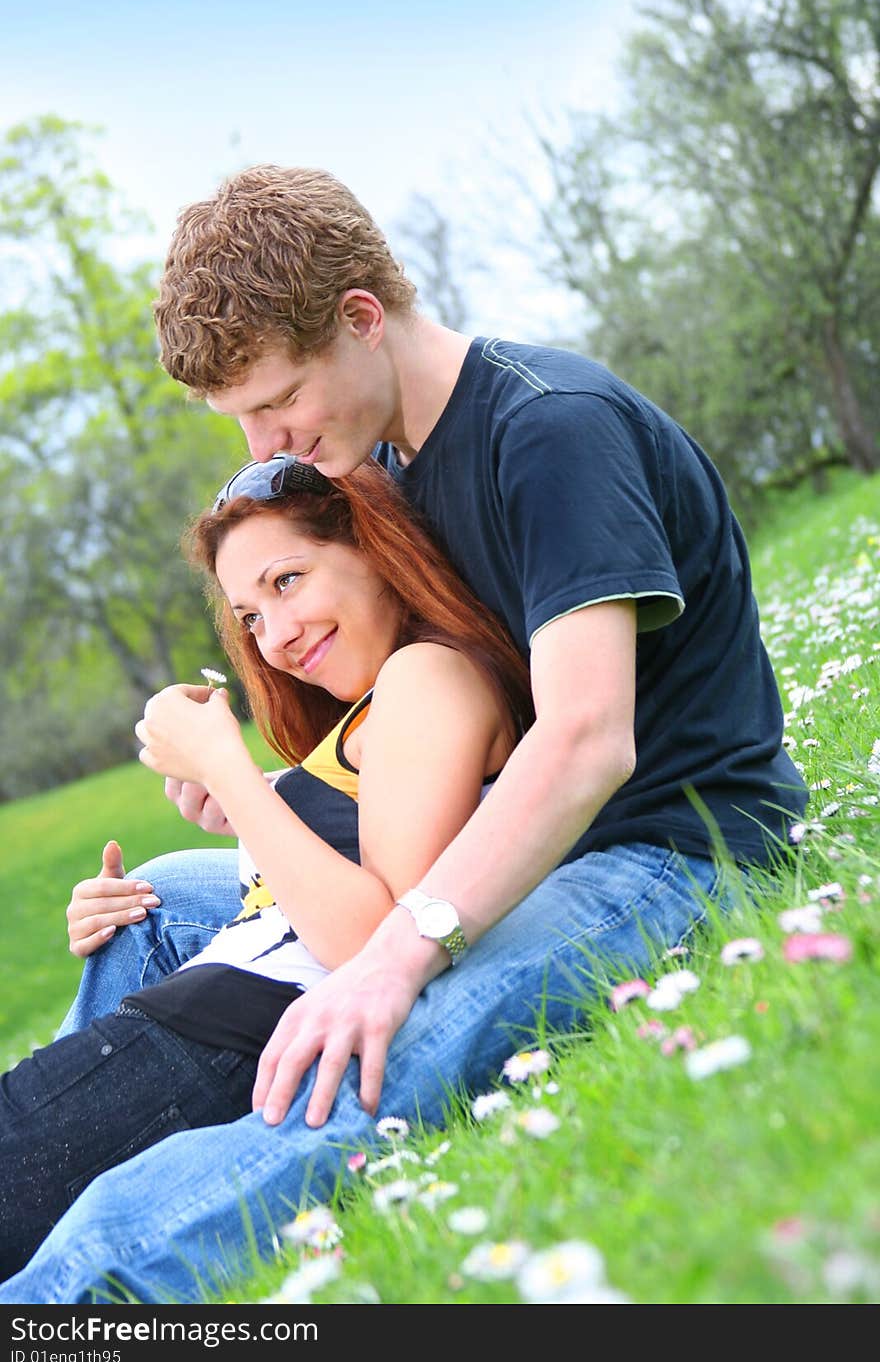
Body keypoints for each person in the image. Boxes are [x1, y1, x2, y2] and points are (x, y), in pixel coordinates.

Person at [0, 164, 807, 1304]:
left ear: (362, 320)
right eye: (239, 417)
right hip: (506, 843)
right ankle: (76, 1126)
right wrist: (255, 805)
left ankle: (67, 1291)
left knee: (377, 1045)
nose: (265, 436)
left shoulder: (547, 431)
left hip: (660, 854)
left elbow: (585, 739)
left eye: (276, 399)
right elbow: (417, 734)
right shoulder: (379, 461)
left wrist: (394, 955)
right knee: (161, 900)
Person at [0, 453, 530, 1283]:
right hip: (187, 1032)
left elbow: (379, 940)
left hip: (215, 1045)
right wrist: (240, 810)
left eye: (288, 581)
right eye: (249, 615)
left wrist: (231, 773)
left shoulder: (430, 673)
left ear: (375, 546)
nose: (274, 636)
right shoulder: (382, 702)